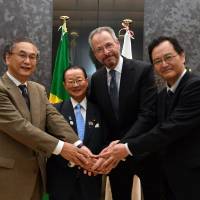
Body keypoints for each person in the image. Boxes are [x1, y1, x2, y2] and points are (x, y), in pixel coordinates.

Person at [101, 36, 200, 200]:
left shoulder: (195, 87)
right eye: (158, 61)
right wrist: (119, 143)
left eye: (168, 57)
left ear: (182, 56)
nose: (164, 64)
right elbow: (149, 124)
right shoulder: (162, 95)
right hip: (168, 178)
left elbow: (167, 131)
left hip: (192, 178)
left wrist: (126, 148)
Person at [0, 38, 92, 200]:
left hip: (38, 177)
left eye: (33, 57)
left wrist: (78, 144)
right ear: (7, 58)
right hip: (9, 178)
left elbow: (54, 118)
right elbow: (20, 128)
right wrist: (61, 148)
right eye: (22, 55)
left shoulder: (38, 89)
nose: (28, 61)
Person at [88, 26, 160, 200]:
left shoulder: (143, 70)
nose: (106, 52)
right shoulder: (96, 79)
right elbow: (101, 119)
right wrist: (106, 150)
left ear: (117, 44)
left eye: (108, 45)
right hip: (116, 160)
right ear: (95, 54)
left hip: (144, 151)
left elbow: (147, 115)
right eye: (99, 49)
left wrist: (121, 145)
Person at [47, 66, 106, 200]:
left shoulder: (101, 111)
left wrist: (97, 162)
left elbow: (105, 140)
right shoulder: (53, 111)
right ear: (64, 85)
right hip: (61, 181)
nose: (75, 85)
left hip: (91, 178)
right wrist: (74, 161)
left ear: (86, 81)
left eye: (79, 80)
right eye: (71, 81)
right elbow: (50, 143)